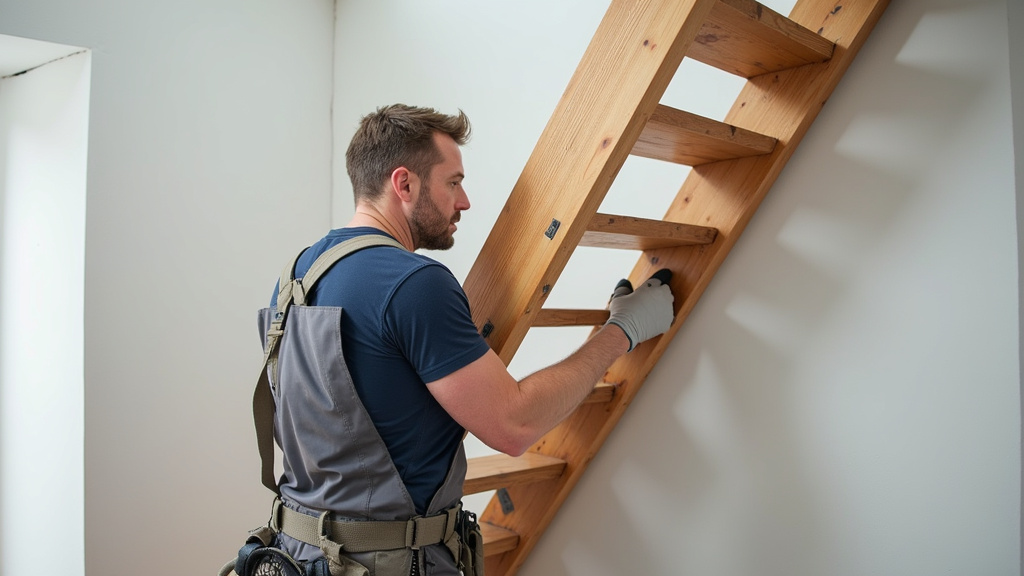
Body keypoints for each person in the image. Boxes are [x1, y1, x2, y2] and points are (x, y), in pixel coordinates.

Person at [248, 104, 675, 576]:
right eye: (453, 182)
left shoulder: (297, 275)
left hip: (296, 556)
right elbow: (513, 425)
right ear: (404, 183)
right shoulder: (414, 283)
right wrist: (622, 332)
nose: (465, 200)